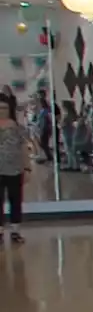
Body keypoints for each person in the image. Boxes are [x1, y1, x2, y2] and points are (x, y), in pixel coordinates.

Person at [0, 99, 31, 244]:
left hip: (15, 169)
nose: (2, 110)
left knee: (15, 200)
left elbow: (24, 147)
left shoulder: (18, 127)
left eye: (4, 108)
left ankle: (15, 231)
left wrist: (27, 167)